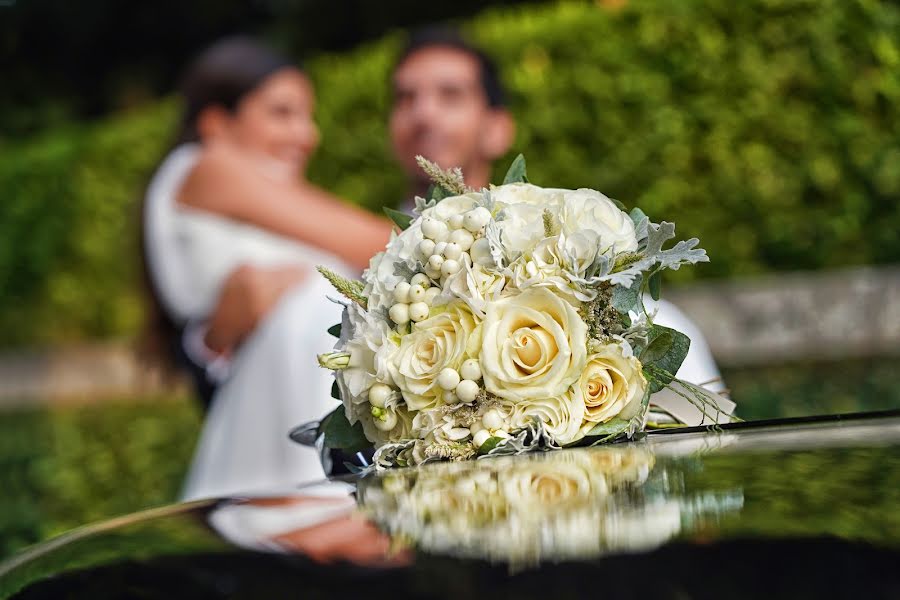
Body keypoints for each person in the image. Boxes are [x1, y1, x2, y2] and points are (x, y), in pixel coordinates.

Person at [141, 36, 392, 500]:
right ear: (217, 122)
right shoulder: (208, 167)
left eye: (307, 115)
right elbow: (376, 242)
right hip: (288, 400)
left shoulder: (220, 193)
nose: (308, 134)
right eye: (282, 112)